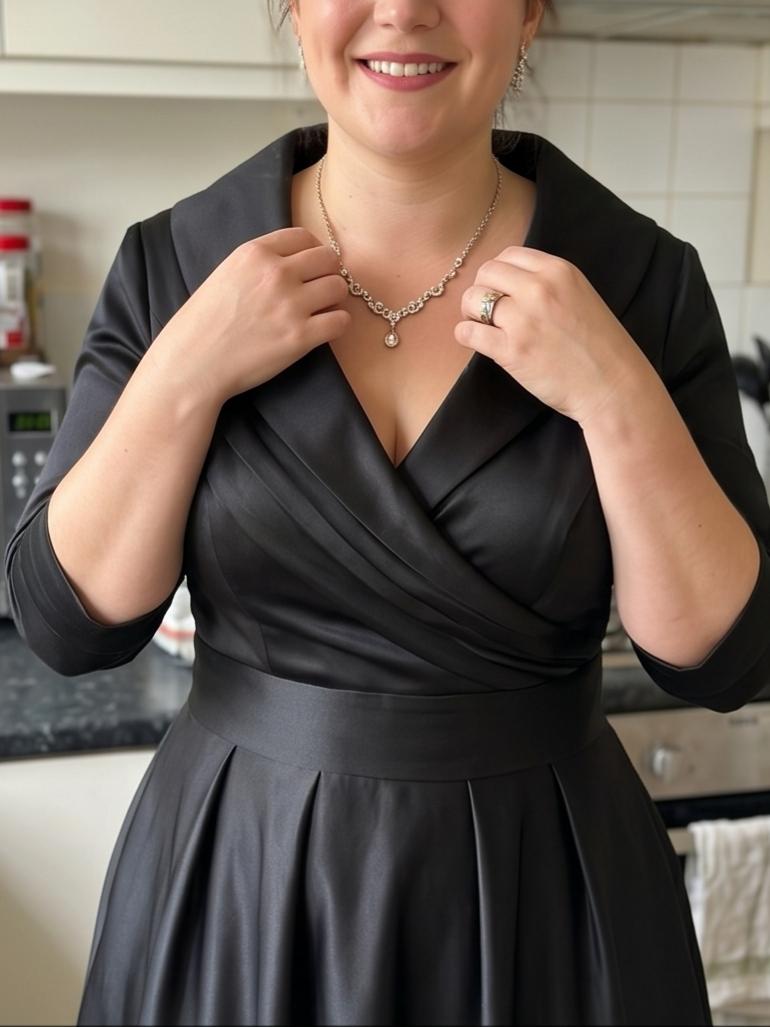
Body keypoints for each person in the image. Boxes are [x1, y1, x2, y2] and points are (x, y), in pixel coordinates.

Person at [5, 0, 770, 1023]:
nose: (404, 9)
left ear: (530, 14)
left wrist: (615, 394)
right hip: (239, 890)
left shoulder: (642, 281)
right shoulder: (176, 262)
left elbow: (724, 660)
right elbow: (66, 625)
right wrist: (183, 375)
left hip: (546, 899)